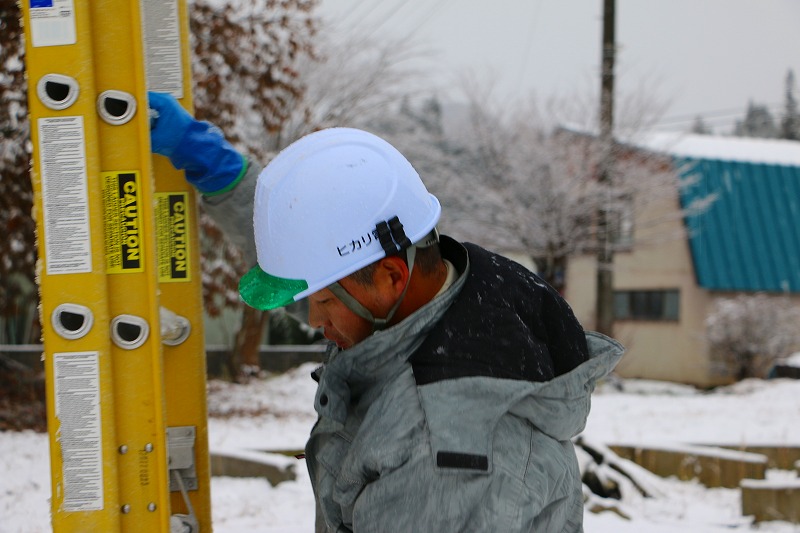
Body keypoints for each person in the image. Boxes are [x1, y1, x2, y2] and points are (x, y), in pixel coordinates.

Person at [148, 92, 624, 532]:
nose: (311, 318)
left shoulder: (442, 457)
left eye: (325, 302)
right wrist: (221, 174)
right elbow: (321, 265)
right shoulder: (463, 301)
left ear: (393, 277)